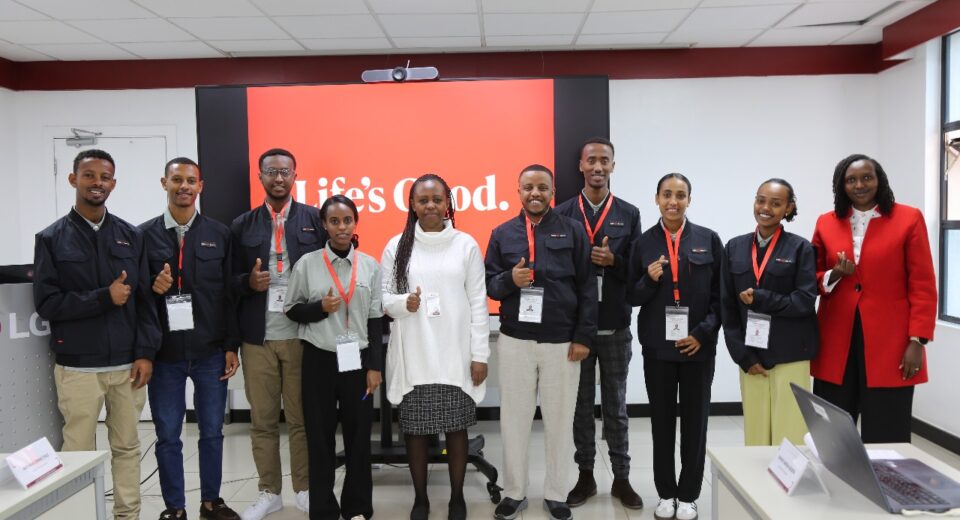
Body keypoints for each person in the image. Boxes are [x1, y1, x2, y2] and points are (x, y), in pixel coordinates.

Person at [33, 149, 160, 520]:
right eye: (89, 176)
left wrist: (145, 353)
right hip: (78, 368)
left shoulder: (131, 236)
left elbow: (144, 303)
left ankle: (127, 515)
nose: (97, 183)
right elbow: (48, 303)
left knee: (126, 447)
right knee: (77, 451)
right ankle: (79, 514)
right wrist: (104, 297)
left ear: (113, 184)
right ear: (73, 180)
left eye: (104, 177)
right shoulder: (52, 238)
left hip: (127, 366)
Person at [485, 164, 596, 520]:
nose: (535, 193)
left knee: (560, 420)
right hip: (515, 340)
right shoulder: (502, 233)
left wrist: (583, 337)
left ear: (552, 192)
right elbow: (488, 285)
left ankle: (555, 493)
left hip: (561, 343)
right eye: (528, 187)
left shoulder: (574, 231)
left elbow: (587, 289)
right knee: (513, 419)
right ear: (518, 191)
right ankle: (514, 492)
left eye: (543, 188)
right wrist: (509, 280)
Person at [381, 174, 490, 520]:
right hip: (414, 354)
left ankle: (457, 498)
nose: (430, 206)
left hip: (456, 354)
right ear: (411, 204)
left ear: (448, 203)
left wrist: (480, 355)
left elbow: (478, 302)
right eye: (423, 200)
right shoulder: (396, 246)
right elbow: (384, 299)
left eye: (437, 199)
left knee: (457, 428)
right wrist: (404, 304)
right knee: (414, 430)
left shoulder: (465, 244)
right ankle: (420, 499)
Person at [140, 157, 241, 520]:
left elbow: (230, 295)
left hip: (210, 351)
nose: (184, 186)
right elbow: (137, 299)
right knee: (168, 434)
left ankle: (211, 502)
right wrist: (153, 288)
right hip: (165, 354)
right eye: (176, 179)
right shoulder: (143, 235)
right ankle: (175, 507)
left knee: (212, 431)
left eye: (191, 180)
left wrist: (232, 345)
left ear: (201, 186)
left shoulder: (220, 233)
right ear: (164, 183)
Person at [811, 154, 937, 443]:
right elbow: (811, 277)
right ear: (841, 186)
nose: (860, 185)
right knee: (832, 433)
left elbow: (923, 284)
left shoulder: (909, 218)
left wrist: (917, 340)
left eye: (867, 177)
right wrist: (834, 274)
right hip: (836, 340)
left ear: (880, 180)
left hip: (890, 342)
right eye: (851, 179)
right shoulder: (825, 223)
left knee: (887, 429)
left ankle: (888, 487)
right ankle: (836, 485)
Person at [230, 148, 325, 519]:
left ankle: (304, 488)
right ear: (260, 177)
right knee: (263, 420)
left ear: (296, 174)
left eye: (285, 171)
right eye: (271, 171)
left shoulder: (315, 220)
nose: (279, 178)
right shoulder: (242, 225)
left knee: (303, 419)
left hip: (303, 335)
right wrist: (246, 282)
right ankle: (269, 491)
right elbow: (228, 282)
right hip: (258, 338)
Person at [553, 137, 643, 509]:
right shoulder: (562, 214)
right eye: (591, 160)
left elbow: (637, 270)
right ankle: (586, 476)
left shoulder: (629, 213)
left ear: (613, 166)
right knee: (580, 408)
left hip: (616, 326)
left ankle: (622, 478)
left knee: (616, 407)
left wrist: (614, 262)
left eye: (604, 161)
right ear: (580, 165)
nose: (597, 167)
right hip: (577, 330)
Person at [284, 195, 383, 520]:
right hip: (319, 360)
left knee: (358, 438)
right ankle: (323, 509)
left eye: (347, 221)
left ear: (355, 223)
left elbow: (374, 319)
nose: (342, 228)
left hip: (357, 361)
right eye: (335, 221)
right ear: (324, 225)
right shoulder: (308, 264)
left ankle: (357, 507)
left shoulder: (369, 265)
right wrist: (319, 309)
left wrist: (374, 367)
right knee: (320, 436)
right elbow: (292, 309)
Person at [628, 173, 721, 520]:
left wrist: (702, 333)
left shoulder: (708, 240)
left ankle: (689, 495)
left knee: (695, 423)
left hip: (697, 347)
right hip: (658, 348)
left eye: (680, 195)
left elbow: (719, 298)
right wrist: (648, 280)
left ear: (689, 200)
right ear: (656, 199)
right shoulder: (643, 244)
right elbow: (630, 297)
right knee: (662, 422)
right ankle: (666, 493)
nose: (673, 201)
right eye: (667, 194)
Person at [720, 178, 818, 449]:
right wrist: (742, 356)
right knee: (756, 436)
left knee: (791, 434)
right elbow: (726, 307)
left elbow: (805, 302)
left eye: (776, 203)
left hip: (791, 355)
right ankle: (757, 490)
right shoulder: (735, 248)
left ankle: (788, 490)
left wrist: (763, 298)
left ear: (788, 208)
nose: (766, 208)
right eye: (761, 200)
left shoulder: (801, 248)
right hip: (752, 356)